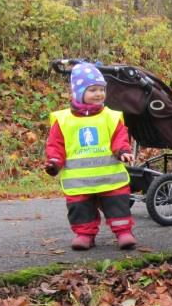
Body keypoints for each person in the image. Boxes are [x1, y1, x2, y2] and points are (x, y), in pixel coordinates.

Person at [45, 62, 136, 251]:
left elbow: (119, 138)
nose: (99, 94)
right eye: (92, 90)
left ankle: (123, 232)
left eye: (102, 89)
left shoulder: (111, 116)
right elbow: (56, 145)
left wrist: (123, 151)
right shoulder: (63, 120)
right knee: (80, 207)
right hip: (79, 182)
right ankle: (84, 234)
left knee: (118, 204)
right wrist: (54, 162)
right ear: (78, 92)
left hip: (110, 178)